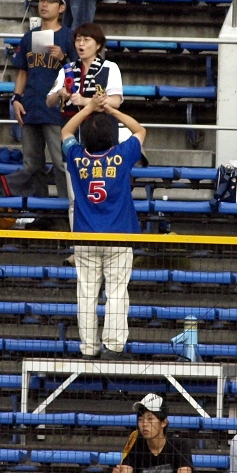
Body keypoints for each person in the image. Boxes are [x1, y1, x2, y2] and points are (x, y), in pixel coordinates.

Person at [61, 95, 145, 359]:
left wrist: (88, 108)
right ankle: (114, 347)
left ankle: (88, 348)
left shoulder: (76, 156)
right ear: (112, 138)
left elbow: (65, 130)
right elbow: (140, 130)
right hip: (118, 236)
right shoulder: (121, 154)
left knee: (86, 294)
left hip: (85, 237)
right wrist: (110, 109)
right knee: (117, 293)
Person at [11, 0, 76, 200]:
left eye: (50, 0)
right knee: (31, 163)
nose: (44, 4)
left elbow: (78, 73)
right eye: (42, 0)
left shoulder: (69, 37)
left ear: (62, 7)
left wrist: (63, 59)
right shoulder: (30, 36)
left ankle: (66, 209)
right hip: (30, 104)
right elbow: (23, 71)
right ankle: (39, 211)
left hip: (57, 107)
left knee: (60, 161)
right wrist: (16, 98)